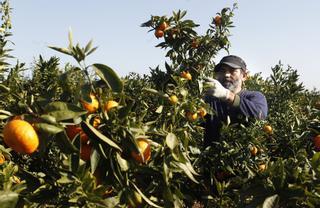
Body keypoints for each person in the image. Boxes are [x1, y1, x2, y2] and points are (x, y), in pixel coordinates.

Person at [203, 55, 268, 147]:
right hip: (211, 158)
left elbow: (259, 114)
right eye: (223, 71)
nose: (226, 75)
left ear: (244, 76)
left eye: (233, 71)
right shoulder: (211, 100)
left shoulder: (254, 96)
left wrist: (227, 95)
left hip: (242, 158)